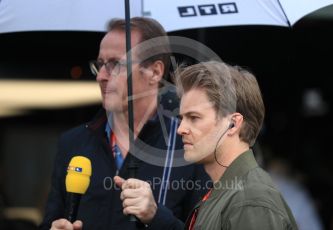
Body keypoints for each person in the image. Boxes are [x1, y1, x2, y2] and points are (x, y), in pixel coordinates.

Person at [40, 17, 209, 230]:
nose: (101, 76)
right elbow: (49, 220)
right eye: (100, 64)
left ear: (155, 72)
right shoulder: (73, 142)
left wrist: (156, 217)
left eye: (114, 64)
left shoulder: (189, 143)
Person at [174, 61, 298, 229]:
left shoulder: (249, 201)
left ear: (233, 124)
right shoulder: (232, 194)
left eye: (194, 117)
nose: (180, 129)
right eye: (181, 119)